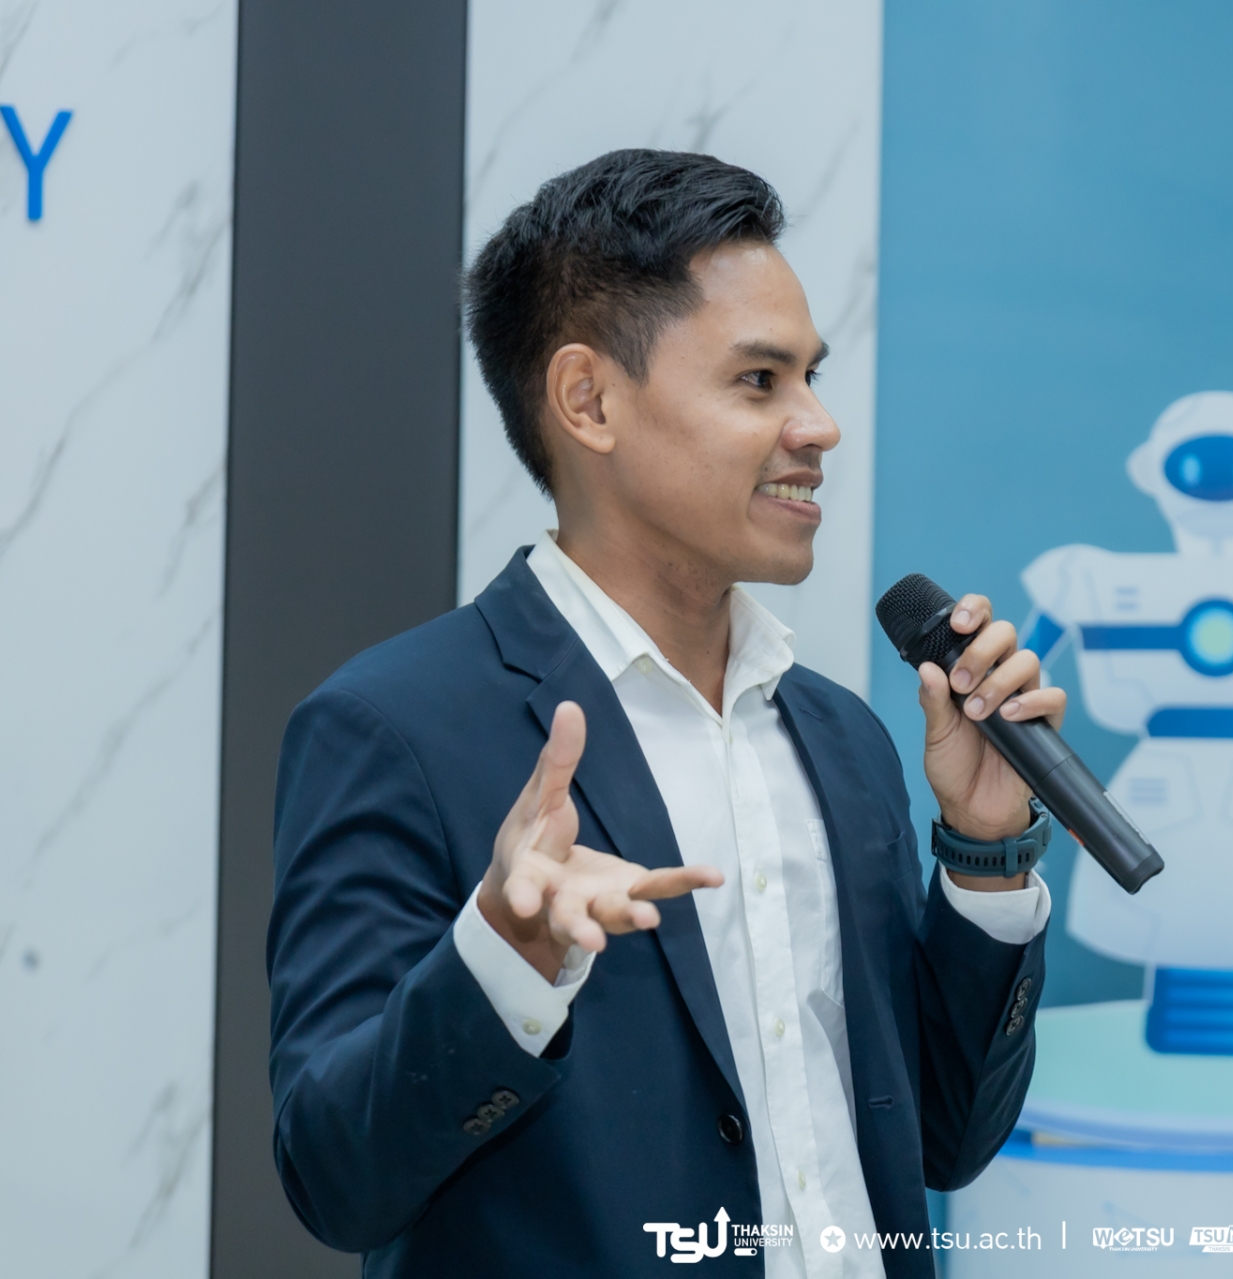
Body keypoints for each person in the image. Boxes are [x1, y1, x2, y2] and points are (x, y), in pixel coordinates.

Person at [267, 149, 1059, 1278]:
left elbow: (940, 1138)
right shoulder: (391, 728)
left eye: (812, 377)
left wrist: (984, 857)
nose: (819, 426)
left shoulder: (844, 737)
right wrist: (504, 959)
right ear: (588, 401)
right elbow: (334, 1176)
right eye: (760, 380)